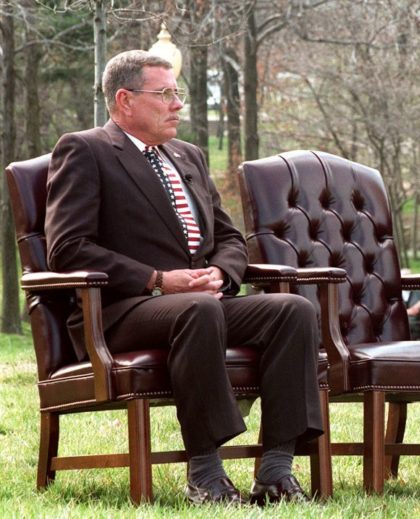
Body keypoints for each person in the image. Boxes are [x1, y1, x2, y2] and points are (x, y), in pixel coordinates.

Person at [44, 50, 323, 506]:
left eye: (178, 94)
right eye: (166, 94)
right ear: (125, 99)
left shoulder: (187, 155)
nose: (178, 104)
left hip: (199, 303)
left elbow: (231, 236)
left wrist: (221, 272)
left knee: (292, 310)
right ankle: (206, 473)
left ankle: (275, 470)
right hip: (121, 310)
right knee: (198, 307)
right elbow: (68, 247)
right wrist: (157, 280)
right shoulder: (86, 149)